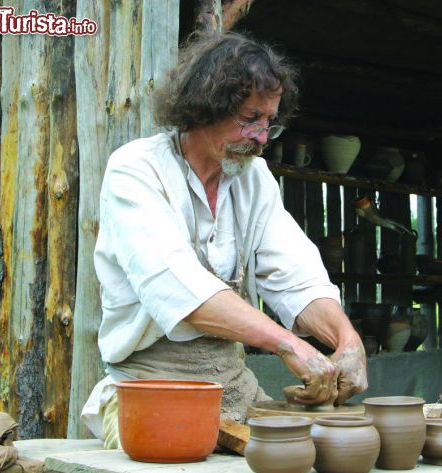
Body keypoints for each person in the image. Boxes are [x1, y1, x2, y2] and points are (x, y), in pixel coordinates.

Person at [80, 31, 367, 448]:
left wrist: (347, 339)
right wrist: (289, 345)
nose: (262, 137)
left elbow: (296, 278)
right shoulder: (136, 171)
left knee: (305, 451)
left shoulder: (255, 180)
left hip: (234, 388)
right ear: (205, 106)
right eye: (250, 118)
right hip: (150, 390)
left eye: (270, 123)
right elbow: (178, 288)